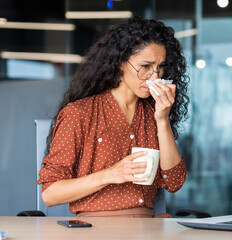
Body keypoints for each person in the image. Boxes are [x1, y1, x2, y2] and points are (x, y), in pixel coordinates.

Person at [36, 16, 189, 218]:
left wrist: (162, 120)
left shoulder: (154, 112)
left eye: (160, 67)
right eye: (145, 67)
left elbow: (174, 181)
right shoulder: (79, 113)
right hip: (95, 229)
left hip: (148, 228)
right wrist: (110, 174)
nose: (155, 77)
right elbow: (50, 193)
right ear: (120, 63)